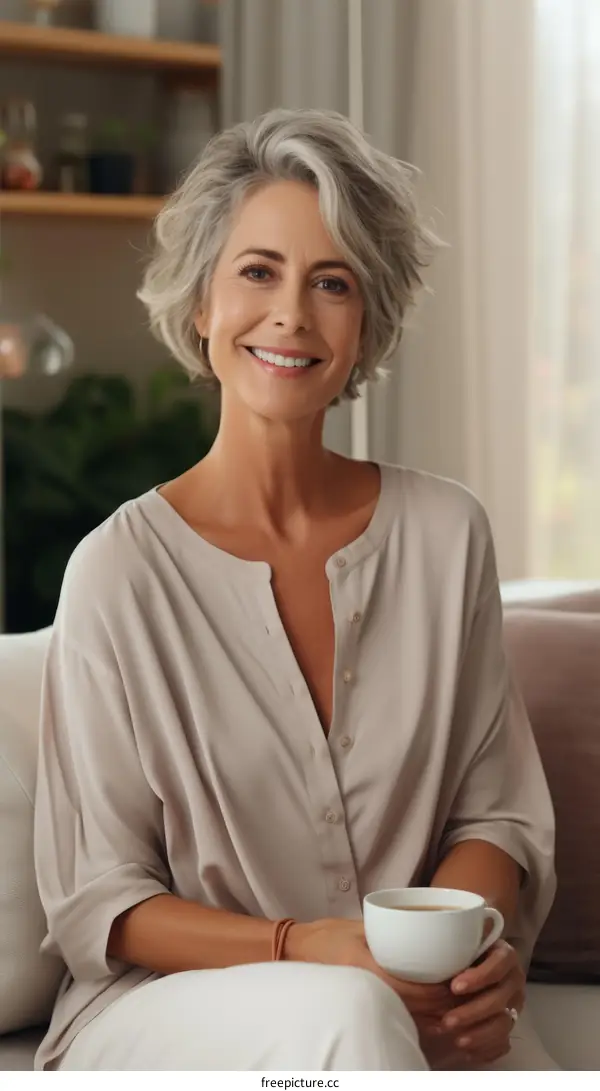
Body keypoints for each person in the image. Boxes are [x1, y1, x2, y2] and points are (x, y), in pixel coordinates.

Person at [33, 108, 556, 1072]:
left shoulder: (448, 538)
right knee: (352, 1020)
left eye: (333, 282)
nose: (292, 315)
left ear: (370, 322)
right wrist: (312, 947)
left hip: (394, 1004)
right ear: (201, 302)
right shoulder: (116, 573)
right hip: (169, 1011)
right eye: (258, 271)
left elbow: (496, 817)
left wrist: (465, 960)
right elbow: (101, 898)